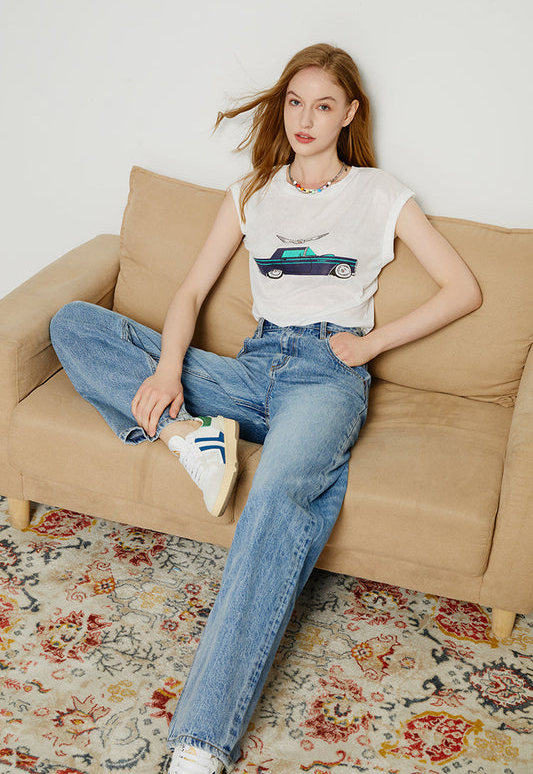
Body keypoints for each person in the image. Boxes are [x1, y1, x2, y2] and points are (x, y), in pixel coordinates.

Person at [50, 43, 482, 774]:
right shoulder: (253, 190)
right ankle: (190, 436)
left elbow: (462, 288)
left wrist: (370, 344)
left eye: (323, 105)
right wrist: (167, 374)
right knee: (73, 323)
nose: (305, 118)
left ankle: (200, 741)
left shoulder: (380, 194)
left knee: (277, 493)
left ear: (349, 115)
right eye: (295, 102)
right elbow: (190, 292)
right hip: (251, 367)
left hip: (325, 376)